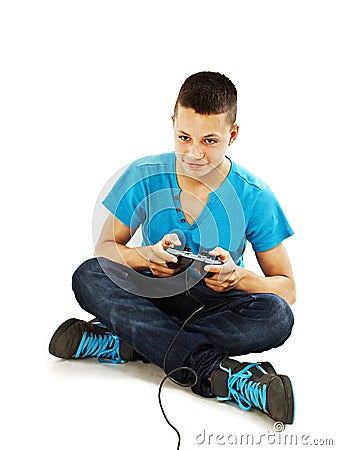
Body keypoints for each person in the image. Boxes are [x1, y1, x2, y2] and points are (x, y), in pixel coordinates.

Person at [49, 71, 296, 425]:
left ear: (233, 134)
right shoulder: (143, 174)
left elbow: (287, 288)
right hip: (153, 290)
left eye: (210, 140)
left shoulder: (255, 195)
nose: (194, 153)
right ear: (172, 124)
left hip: (213, 303)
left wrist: (239, 277)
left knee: (277, 316)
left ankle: (132, 341)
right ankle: (215, 373)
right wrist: (143, 255)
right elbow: (105, 249)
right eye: (184, 137)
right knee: (88, 275)